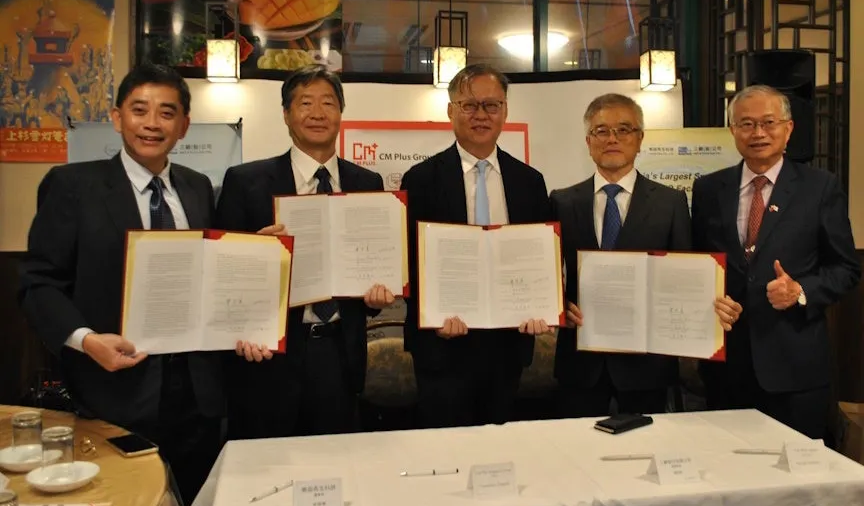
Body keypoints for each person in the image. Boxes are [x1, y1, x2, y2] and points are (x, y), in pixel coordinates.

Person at [19, 63, 222, 506]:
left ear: (184, 126)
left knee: (198, 503)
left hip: (198, 395)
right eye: (139, 110)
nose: (152, 123)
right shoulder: (73, 186)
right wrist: (86, 340)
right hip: (113, 391)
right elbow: (39, 283)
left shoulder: (198, 188)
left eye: (167, 112)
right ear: (116, 118)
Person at [216, 64, 394, 438]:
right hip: (268, 360)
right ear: (286, 114)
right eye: (305, 103)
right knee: (267, 464)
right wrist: (257, 256)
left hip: (340, 356)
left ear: (341, 112)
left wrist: (376, 297)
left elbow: (368, 274)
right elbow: (221, 276)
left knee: (337, 462)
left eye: (328, 103)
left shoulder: (367, 182)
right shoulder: (246, 182)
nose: (317, 113)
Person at [692, 84, 860, 439]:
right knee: (725, 465)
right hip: (727, 367)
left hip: (795, 367)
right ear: (733, 130)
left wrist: (801, 291)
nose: (758, 133)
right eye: (747, 124)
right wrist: (708, 298)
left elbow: (846, 268)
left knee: (796, 468)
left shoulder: (820, 187)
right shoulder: (708, 189)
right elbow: (698, 264)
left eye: (768, 122)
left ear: (789, 128)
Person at [400, 64, 551, 428]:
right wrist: (431, 316)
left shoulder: (530, 182)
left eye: (491, 105)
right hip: (442, 346)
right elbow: (408, 262)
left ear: (505, 111)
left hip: (507, 346)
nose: (481, 115)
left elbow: (539, 261)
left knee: (500, 449)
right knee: (444, 450)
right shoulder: (420, 180)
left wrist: (540, 306)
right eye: (469, 105)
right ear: (450, 110)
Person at [551, 93, 691, 417]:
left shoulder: (670, 203)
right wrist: (557, 306)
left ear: (640, 139)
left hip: (647, 362)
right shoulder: (562, 201)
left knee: (646, 446)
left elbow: (683, 277)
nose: (612, 138)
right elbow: (548, 274)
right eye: (601, 130)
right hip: (581, 361)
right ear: (588, 141)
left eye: (624, 129)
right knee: (575, 446)